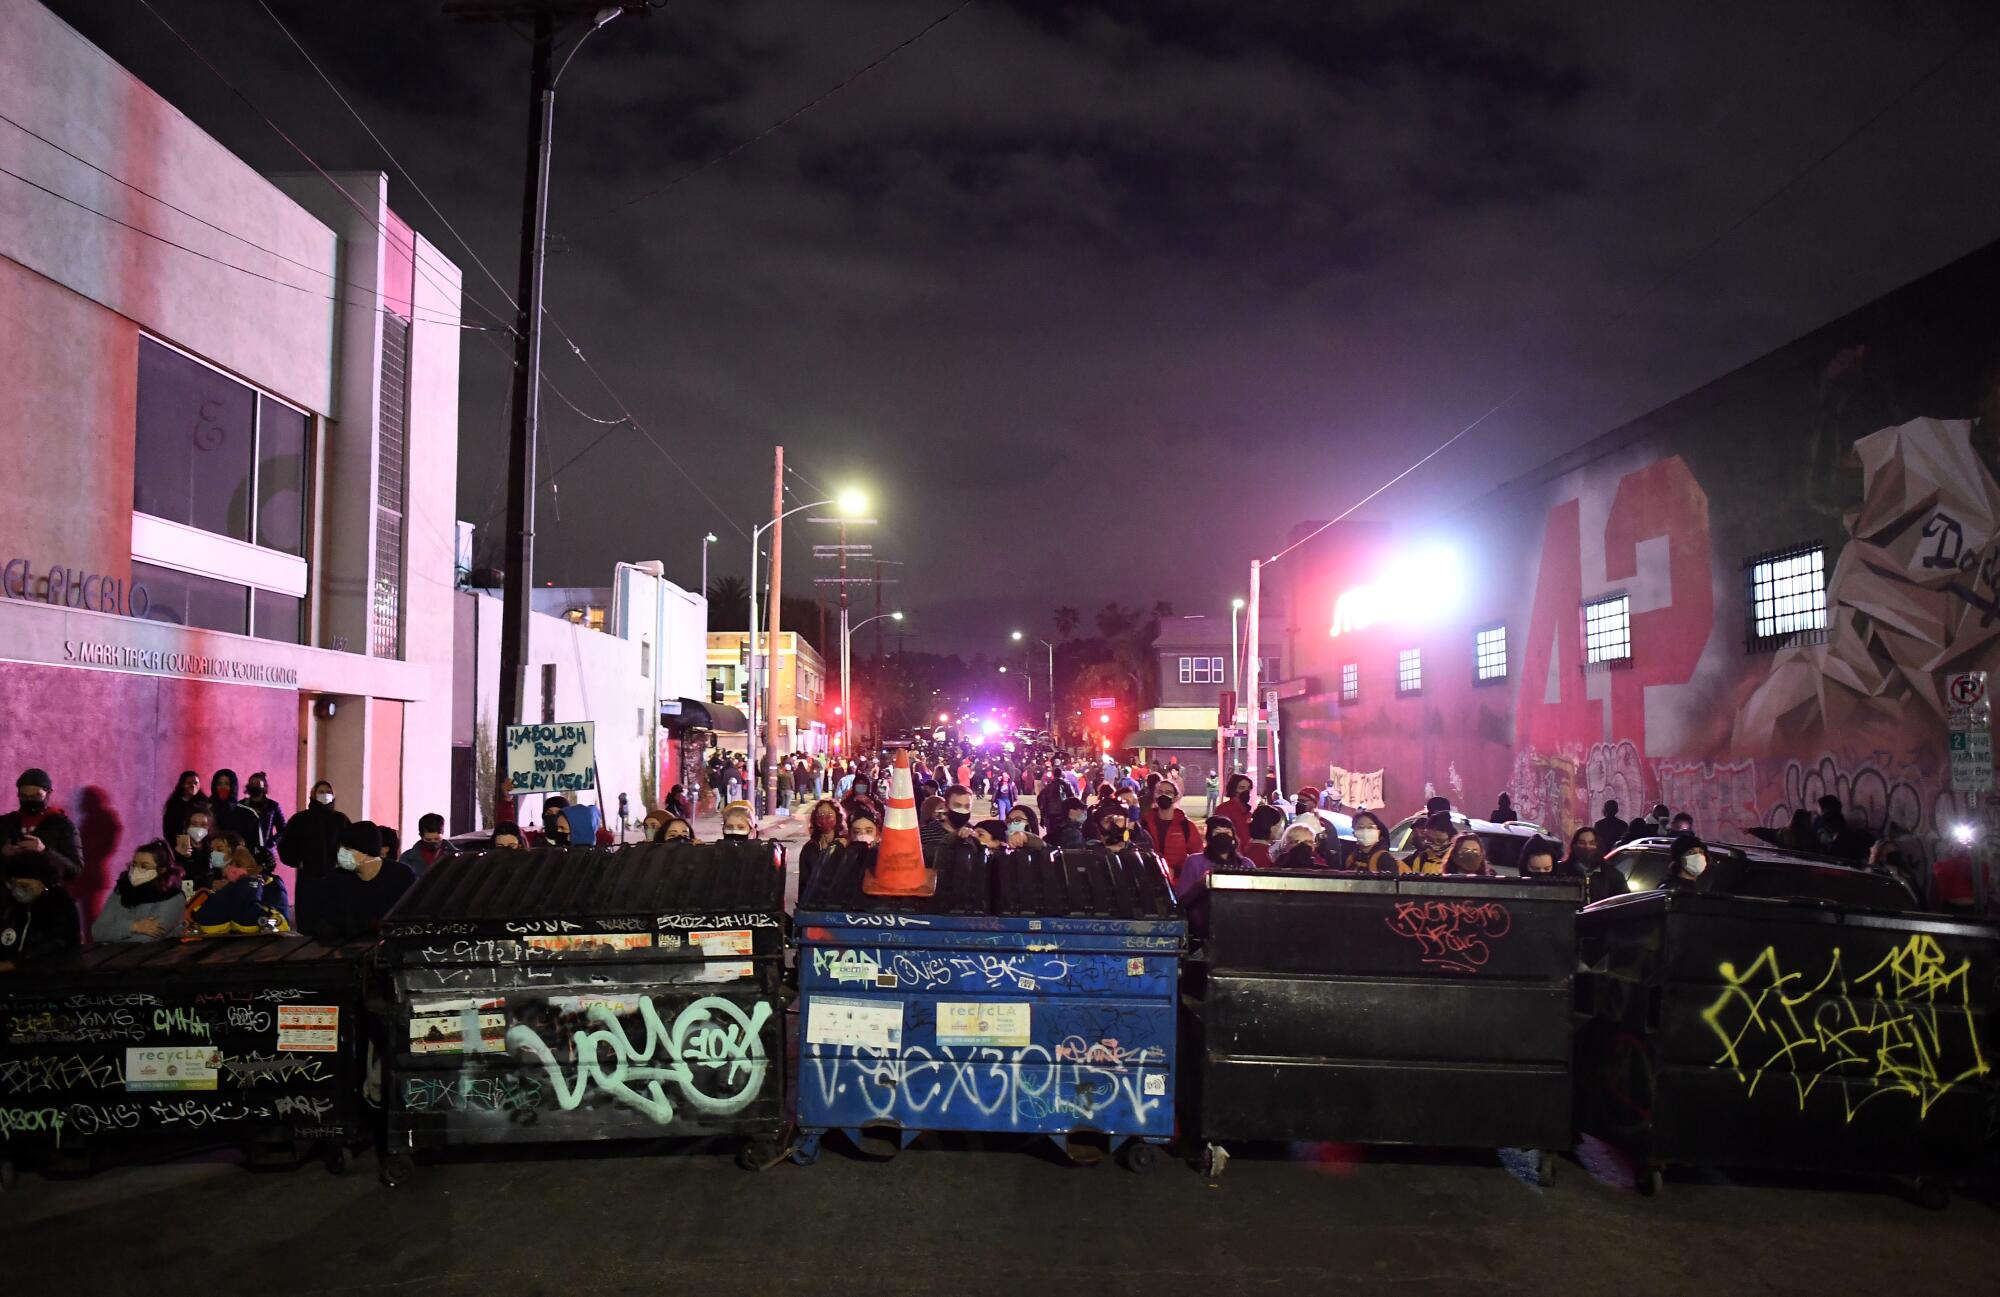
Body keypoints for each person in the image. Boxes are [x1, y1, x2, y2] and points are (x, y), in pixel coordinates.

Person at [323, 821, 415, 940]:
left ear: (365, 850)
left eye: (347, 848)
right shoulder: (336, 879)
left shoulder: (402, 875)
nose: (341, 853)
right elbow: (327, 921)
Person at [281, 779, 350, 936]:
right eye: (321, 791)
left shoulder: (341, 820)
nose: (325, 795)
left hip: (335, 876)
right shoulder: (300, 819)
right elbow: (285, 845)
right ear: (313, 795)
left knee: (333, 917)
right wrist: (297, 861)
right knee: (308, 917)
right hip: (308, 877)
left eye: (328, 791)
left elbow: (351, 844)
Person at [188, 831, 291, 935]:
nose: (213, 854)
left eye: (219, 849)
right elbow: (211, 920)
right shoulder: (214, 877)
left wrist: (247, 884)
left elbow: (276, 921)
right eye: (212, 850)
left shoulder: (272, 885)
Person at [92, 840, 186, 943]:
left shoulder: (172, 896)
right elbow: (97, 932)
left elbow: (148, 940)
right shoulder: (122, 890)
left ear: (162, 870)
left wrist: (111, 938)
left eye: (144, 866)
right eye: (134, 864)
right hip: (114, 957)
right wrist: (134, 926)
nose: (136, 870)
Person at [1, 767, 82, 883]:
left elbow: (74, 871)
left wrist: (44, 851)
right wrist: (3, 854)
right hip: (7, 895)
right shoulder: (5, 822)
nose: (29, 801)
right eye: (24, 797)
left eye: (36, 796)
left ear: (48, 793)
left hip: (46, 896)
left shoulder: (63, 826)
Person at [0, 853, 81, 969]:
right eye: (12, 884)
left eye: (24, 885)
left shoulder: (60, 904)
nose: (17, 890)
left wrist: (15, 964)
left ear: (43, 882)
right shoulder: (10, 906)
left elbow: (57, 944)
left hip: (50, 979)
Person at [1142, 791, 1202, 880]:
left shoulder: (1186, 825)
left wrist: (1177, 872)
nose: (1163, 795)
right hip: (1149, 880)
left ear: (1176, 797)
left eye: (1168, 792)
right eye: (1160, 792)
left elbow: (1198, 857)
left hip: (1178, 883)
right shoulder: (1144, 823)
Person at [206, 769, 262, 853]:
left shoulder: (248, 814)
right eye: (219, 784)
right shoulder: (206, 811)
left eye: (227, 784)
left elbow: (257, 846)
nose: (223, 787)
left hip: (238, 861)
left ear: (233, 786)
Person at [800, 800, 844, 899]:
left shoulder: (844, 844)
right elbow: (804, 881)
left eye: (829, 814)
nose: (824, 817)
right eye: (820, 814)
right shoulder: (810, 847)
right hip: (814, 903)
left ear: (837, 816)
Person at [241, 771, 287, 858]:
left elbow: (283, 829)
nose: (255, 786)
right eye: (252, 784)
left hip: (266, 850)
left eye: (258, 784)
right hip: (246, 850)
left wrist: (272, 842)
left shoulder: (273, 806)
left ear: (264, 786)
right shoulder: (241, 805)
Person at [1570, 827, 1622, 902]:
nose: (1587, 847)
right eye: (1582, 843)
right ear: (1574, 846)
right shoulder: (1561, 872)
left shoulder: (1613, 875)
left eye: (1592, 843)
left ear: (1598, 846)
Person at [398, 813, 456, 880]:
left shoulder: (457, 857)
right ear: (420, 836)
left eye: (437, 839)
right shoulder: (406, 858)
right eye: (428, 839)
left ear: (443, 834)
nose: (433, 842)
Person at [161, 769, 209, 842]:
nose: (193, 786)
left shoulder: (205, 803)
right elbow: (168, 828)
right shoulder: (174, 804)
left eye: (196, 783)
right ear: (182, 785)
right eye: (189, 783)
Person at [173, 807, 217, 885]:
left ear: (209, 827)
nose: (198, 828)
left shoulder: (213, 848)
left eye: (203, 824)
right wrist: (178, 857)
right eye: (194, 824)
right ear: (186, 825)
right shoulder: (175, 848)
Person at [1210, 773, 1255, 843]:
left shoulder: (1247, 812)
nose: (1246, 791)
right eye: (1242, 788)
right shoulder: (1223, 810)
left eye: (1248, 788)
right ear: (1233, 789)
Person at [1244, 803, 1285, 868]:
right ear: (1270, 826)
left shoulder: (1250, 848)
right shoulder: (1261, 854)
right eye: (1278, 825)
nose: (1281, 829)